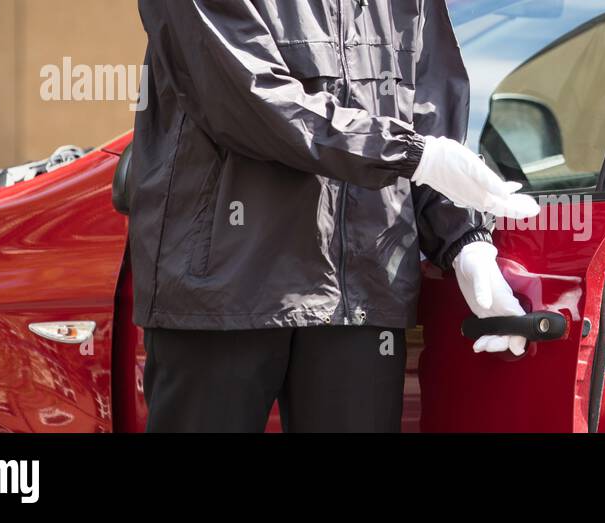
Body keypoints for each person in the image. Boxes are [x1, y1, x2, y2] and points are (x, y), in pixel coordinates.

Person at [128, 0, 538, 433]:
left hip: (361, 293)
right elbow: (247, 99)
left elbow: (431, 116)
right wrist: (412, 155)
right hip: (226, 289)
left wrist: (465, 241)